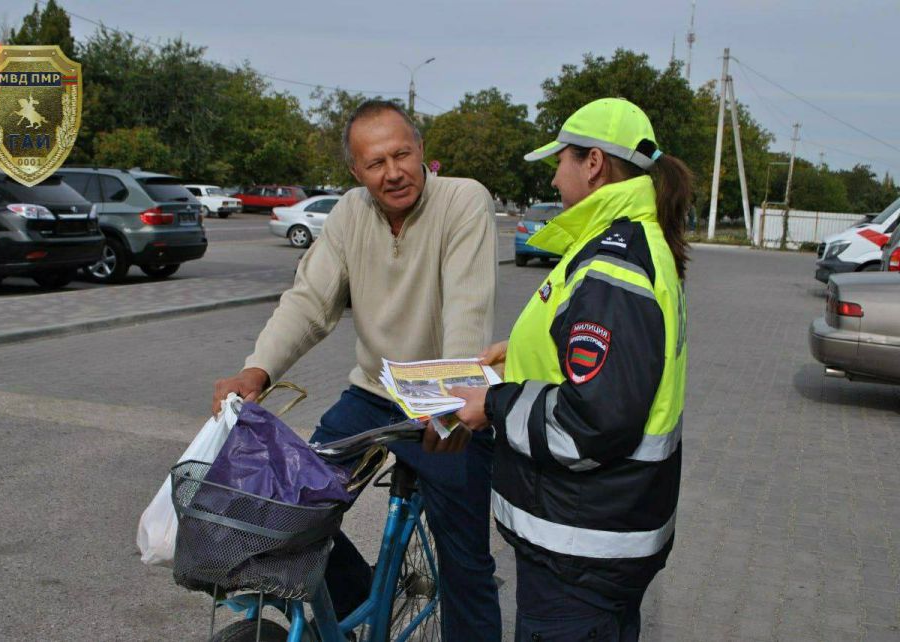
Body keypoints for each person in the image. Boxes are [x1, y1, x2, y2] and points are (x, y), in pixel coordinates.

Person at [213, 100, 502, 641]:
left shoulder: (464, 200)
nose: (393, 172)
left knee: (465, 562)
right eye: (375, 163)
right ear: (356, 171)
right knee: (295, 510)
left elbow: (469, 307)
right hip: (373, 392)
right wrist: (257, 371)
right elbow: (309, 302)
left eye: (402, 154)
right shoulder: (349, 212)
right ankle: (354, 609)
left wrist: (453, 412)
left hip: (449, 397)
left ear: (422, 153)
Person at [447, 98, 690, 641]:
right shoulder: (624, 243)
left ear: (594, 163)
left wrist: (493, 404)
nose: (554, 177)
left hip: (582, 546)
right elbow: (605, 358)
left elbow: (592, 421)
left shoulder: (611, 262)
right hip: (598, 535)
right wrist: (524, 349)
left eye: (560, 160)